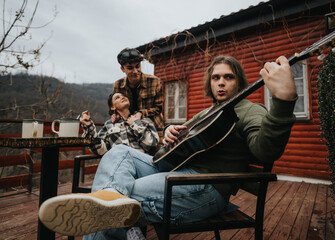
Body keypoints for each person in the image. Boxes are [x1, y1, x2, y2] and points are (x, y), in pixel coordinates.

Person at [39, 55, 297, 239]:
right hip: (178, 171)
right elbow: (176, 145)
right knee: (117, 156)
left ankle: (109, 206)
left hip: (206, 186)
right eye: (216, 77)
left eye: (228, 77)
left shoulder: (249, 110)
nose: (221, 82)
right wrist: (169, 133)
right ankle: (108, 199)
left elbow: (266, 150)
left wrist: (283, 101)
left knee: (123, 197)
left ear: (238, 82)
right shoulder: (207, 112)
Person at [80, 92, 159, 155]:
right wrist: (89, 126)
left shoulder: (145, 121)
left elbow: (152, 146)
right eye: (117, 97)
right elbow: (100, 150)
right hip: (119, 164)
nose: (122, 97)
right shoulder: (109, 125)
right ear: (113, 107)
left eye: (124, 96)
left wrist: (136, 124)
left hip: (140, 164)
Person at [113, 48, 164, 130]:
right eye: (130, 68)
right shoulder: (118, 85)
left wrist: (141, 113)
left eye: (137, 66)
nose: (135, 71)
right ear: (122, 69)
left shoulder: (155, 81)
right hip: (129, 130)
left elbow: (159, 108)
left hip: (154, 129)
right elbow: (116, 107)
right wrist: (115, 115)